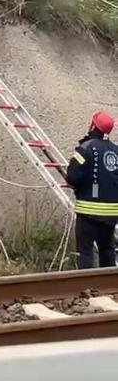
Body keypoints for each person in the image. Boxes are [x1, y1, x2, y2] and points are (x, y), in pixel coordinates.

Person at [65, 111, 118, 269]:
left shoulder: (85, 148)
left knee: (85, 252)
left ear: (93, 125)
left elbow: (73, 177)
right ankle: (108, 286)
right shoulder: (116, 151)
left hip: (88, 212)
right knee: (107, 249)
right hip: (111, 213)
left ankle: (86, 287)